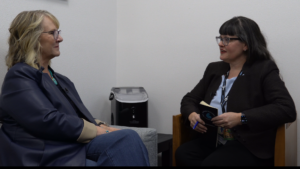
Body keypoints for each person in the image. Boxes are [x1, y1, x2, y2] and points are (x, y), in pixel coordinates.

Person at [0, 10, 149, 166]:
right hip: (43, 153)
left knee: (128, 138)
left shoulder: (61, 80)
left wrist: (99, 125)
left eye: (59, 32)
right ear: (32, 38)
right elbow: (47, 120)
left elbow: (75, 114)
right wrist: (99, 131)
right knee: (126, 139)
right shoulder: (19, 76)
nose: (60, 38)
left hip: (68, 144)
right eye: (53, 33)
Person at [175, 16, 296, 166]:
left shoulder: (263, 69)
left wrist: (241, 118)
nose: (220, 43)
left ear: (245, 44)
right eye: (220, 38)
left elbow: (286, 109)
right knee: (182, 153)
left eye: (227, 39)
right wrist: (192, 115)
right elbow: (189, 99)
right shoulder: (214, 69)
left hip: (246, 144)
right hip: (213, 140)